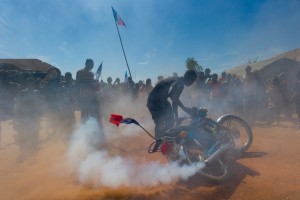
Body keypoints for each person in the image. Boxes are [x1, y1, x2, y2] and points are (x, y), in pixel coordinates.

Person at [147, 70, 197, 139]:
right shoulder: (180, 83)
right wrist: (184, 109)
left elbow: (174, 101)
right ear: (188, 77)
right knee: (160, 123)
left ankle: (164, 138)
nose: (192, 82)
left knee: (170, 121)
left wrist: (176, 117)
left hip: (161, 101)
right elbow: (174, 98)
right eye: (192, 80)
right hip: (154, 102)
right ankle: (158, 140)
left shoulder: (179, 80)